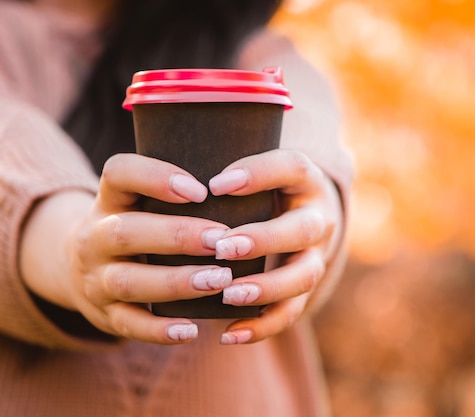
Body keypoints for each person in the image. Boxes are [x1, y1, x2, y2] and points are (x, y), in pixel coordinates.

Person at [0, 0, 352, 415]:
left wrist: (311, 202)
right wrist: (72, 250)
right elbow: (10, 145)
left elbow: (309, 126)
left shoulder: (253, 46)